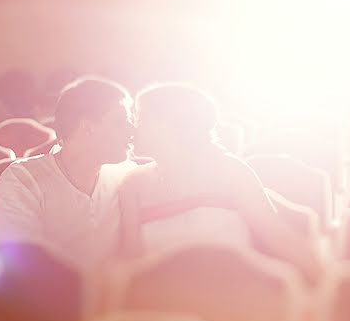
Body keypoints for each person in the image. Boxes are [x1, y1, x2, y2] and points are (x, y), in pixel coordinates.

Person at [116, 82, 320, 278]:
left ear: (170, 124)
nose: (132, 130)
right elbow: (131, 265)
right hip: (162, 304)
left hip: (232, 297)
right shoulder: (133, 184)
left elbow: (278, 237)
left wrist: (329, 288)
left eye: (140, 119)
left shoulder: (231, 171)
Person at [0, 76, 135, 273]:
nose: (132, 130)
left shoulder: (126, 176)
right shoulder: (22, 182)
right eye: (122, 121)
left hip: (114, 298)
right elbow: (23, 270)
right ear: (88, 127)